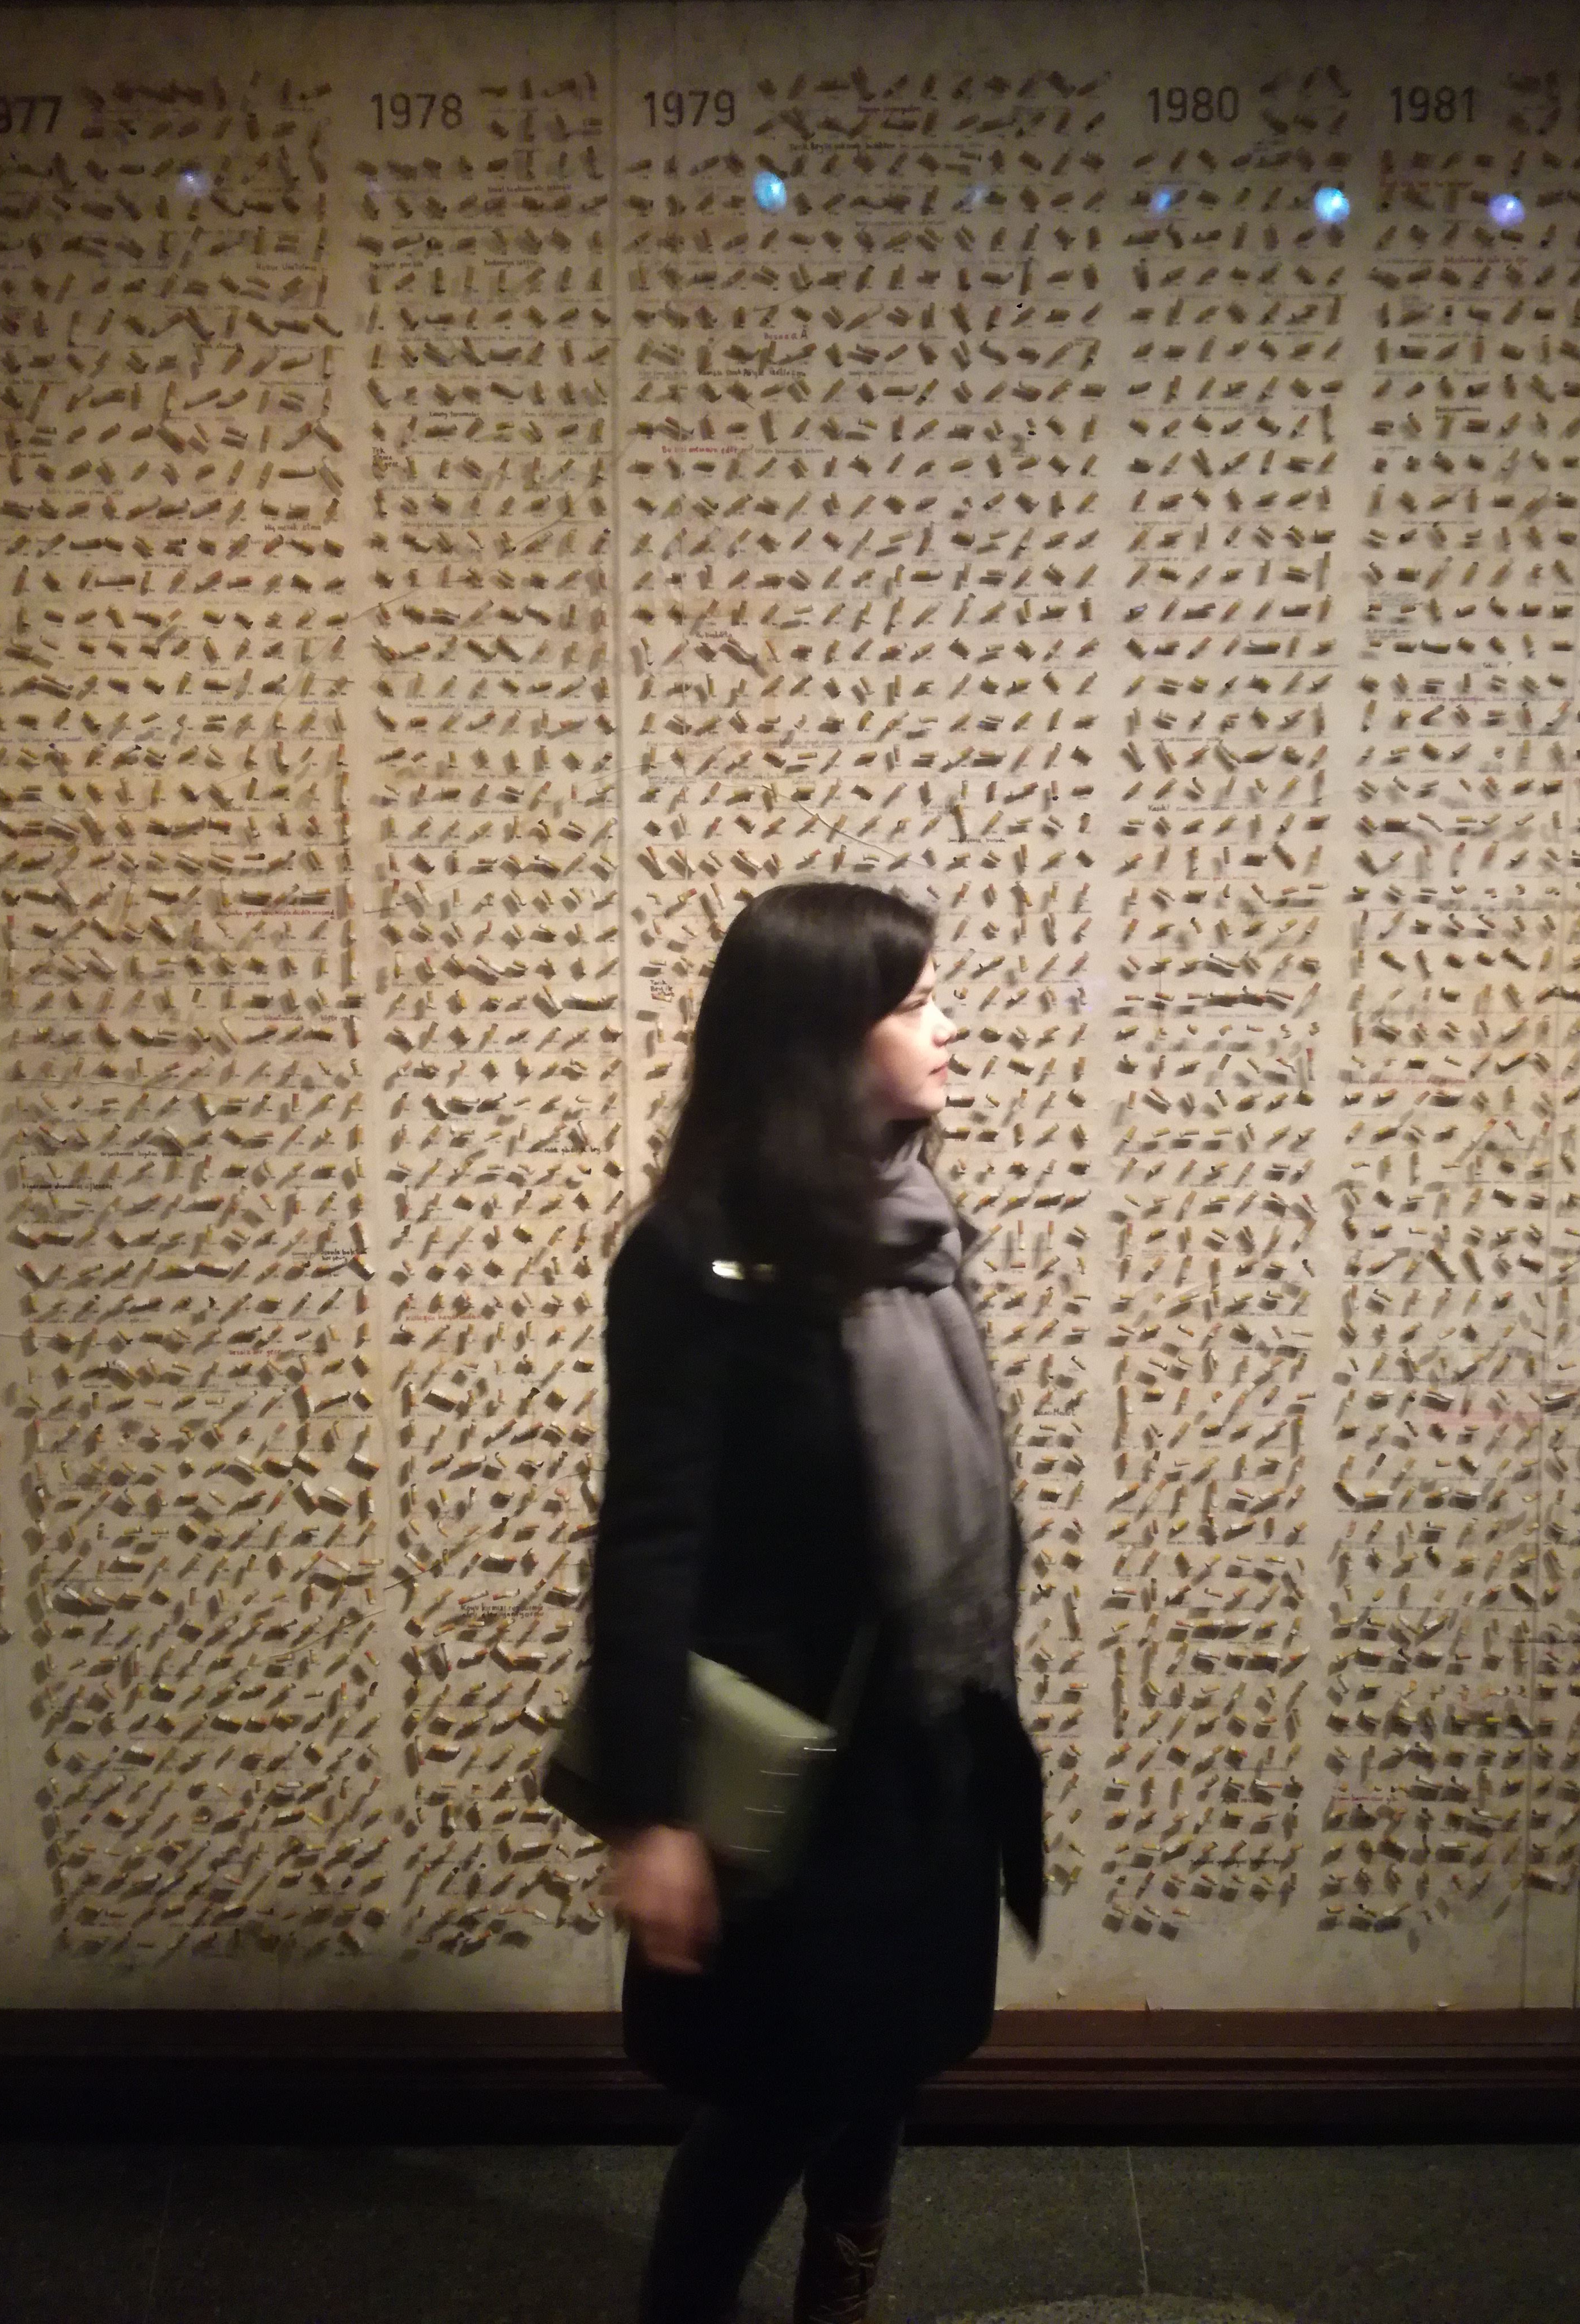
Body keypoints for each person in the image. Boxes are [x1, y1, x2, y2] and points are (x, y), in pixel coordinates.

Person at [585, 878, 1045, 2324]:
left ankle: (838, 2295)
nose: (947, 1025)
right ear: (817, 1039)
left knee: (889, 2059)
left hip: (925, 1739)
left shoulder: (913, 1227)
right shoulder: (696, 1257)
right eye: (914, 1003)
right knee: (782, 2090)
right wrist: (651, 1809)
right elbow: (652, 1539)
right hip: (797, 1757)